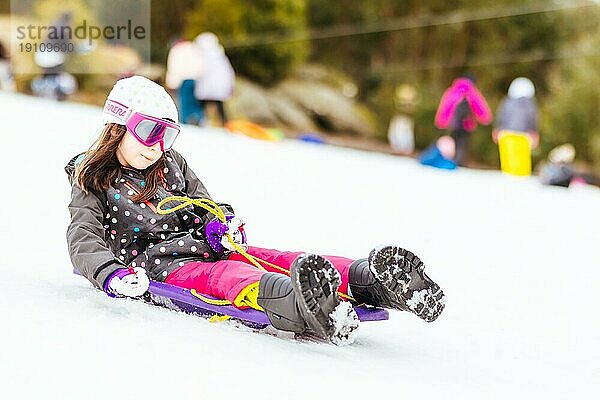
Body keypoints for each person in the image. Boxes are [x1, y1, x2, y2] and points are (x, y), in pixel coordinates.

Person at [66, 76, 445, 345]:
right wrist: (110, 274)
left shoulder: (171, 163)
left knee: (279, 257)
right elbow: (82, 239)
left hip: (210, 246)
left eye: (167, 135)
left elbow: (205, 203)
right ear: (117, 126)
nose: (158, 146)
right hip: (165, 266)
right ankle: (298, 303)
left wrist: (221, 221)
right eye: (150, 132)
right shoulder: (94, 180)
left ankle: (371, 281)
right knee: (231, 278)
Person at [434, 75, 492, 166]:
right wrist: (486, 119)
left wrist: (441, 121)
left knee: (451, 143)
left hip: (452, 124)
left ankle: (449, 161)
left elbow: (445, 106)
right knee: (462, 143)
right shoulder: (472, 92)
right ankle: (458, 162)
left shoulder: (452, 90)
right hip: (466, 124)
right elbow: (479, 106)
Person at [194, 33, 235, 126]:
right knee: (219, 105)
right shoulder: (220, 55)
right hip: (217, 86)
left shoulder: (203, 56)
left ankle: (202, 123)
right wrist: (230, 85)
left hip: (207, 85)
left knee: (203, 105)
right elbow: (229, 72)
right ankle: (225, 124)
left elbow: (198, 70)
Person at [165, 39, 205, 124]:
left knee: (184, 101)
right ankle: (199, 119)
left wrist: (172, 83)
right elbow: (201, 65)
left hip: (183, 79)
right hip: (195, 79)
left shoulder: (177, 51)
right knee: (194, 101)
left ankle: (185, 121)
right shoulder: (194, 48)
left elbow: (174, 67)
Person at [493, 77, 539, 148]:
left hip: (506, 135)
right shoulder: (530, 104)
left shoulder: (506, 101)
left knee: (507, 157)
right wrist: (534, 132)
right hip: (524, 136)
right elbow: (533, 119)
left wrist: (497, 129)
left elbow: (500, 116)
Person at [388, 84, 418, 155]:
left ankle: (405, 149)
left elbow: (411, 111)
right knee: (397, 132)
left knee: (405, 133)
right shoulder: (400, 101)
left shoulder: (411, 103)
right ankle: (397, 148)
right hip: (400, 118)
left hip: (406, 119)